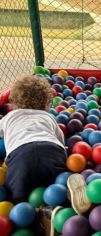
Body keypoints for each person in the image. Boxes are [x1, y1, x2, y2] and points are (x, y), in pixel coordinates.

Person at [0, 75, 67, 203]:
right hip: (52, 151)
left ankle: (21, 205)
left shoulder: (10, 117)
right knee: (58, 189)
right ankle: (56, 206)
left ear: (13, 104)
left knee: (16, 198)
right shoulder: (48, 117)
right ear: (46, 104)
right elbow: (61, 141)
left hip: (21, 157)